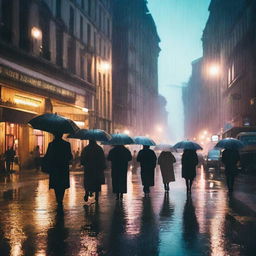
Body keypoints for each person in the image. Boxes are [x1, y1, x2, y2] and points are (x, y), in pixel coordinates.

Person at [43, 132, 73, 207]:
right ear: (62, 135)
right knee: (62, 185)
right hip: (63, 168)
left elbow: (47, 156)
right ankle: (60, 200)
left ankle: (58, 199)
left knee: (56, 185)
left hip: (54, 168)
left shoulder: (51, 144)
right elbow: (70, 157)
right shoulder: (66, 144)